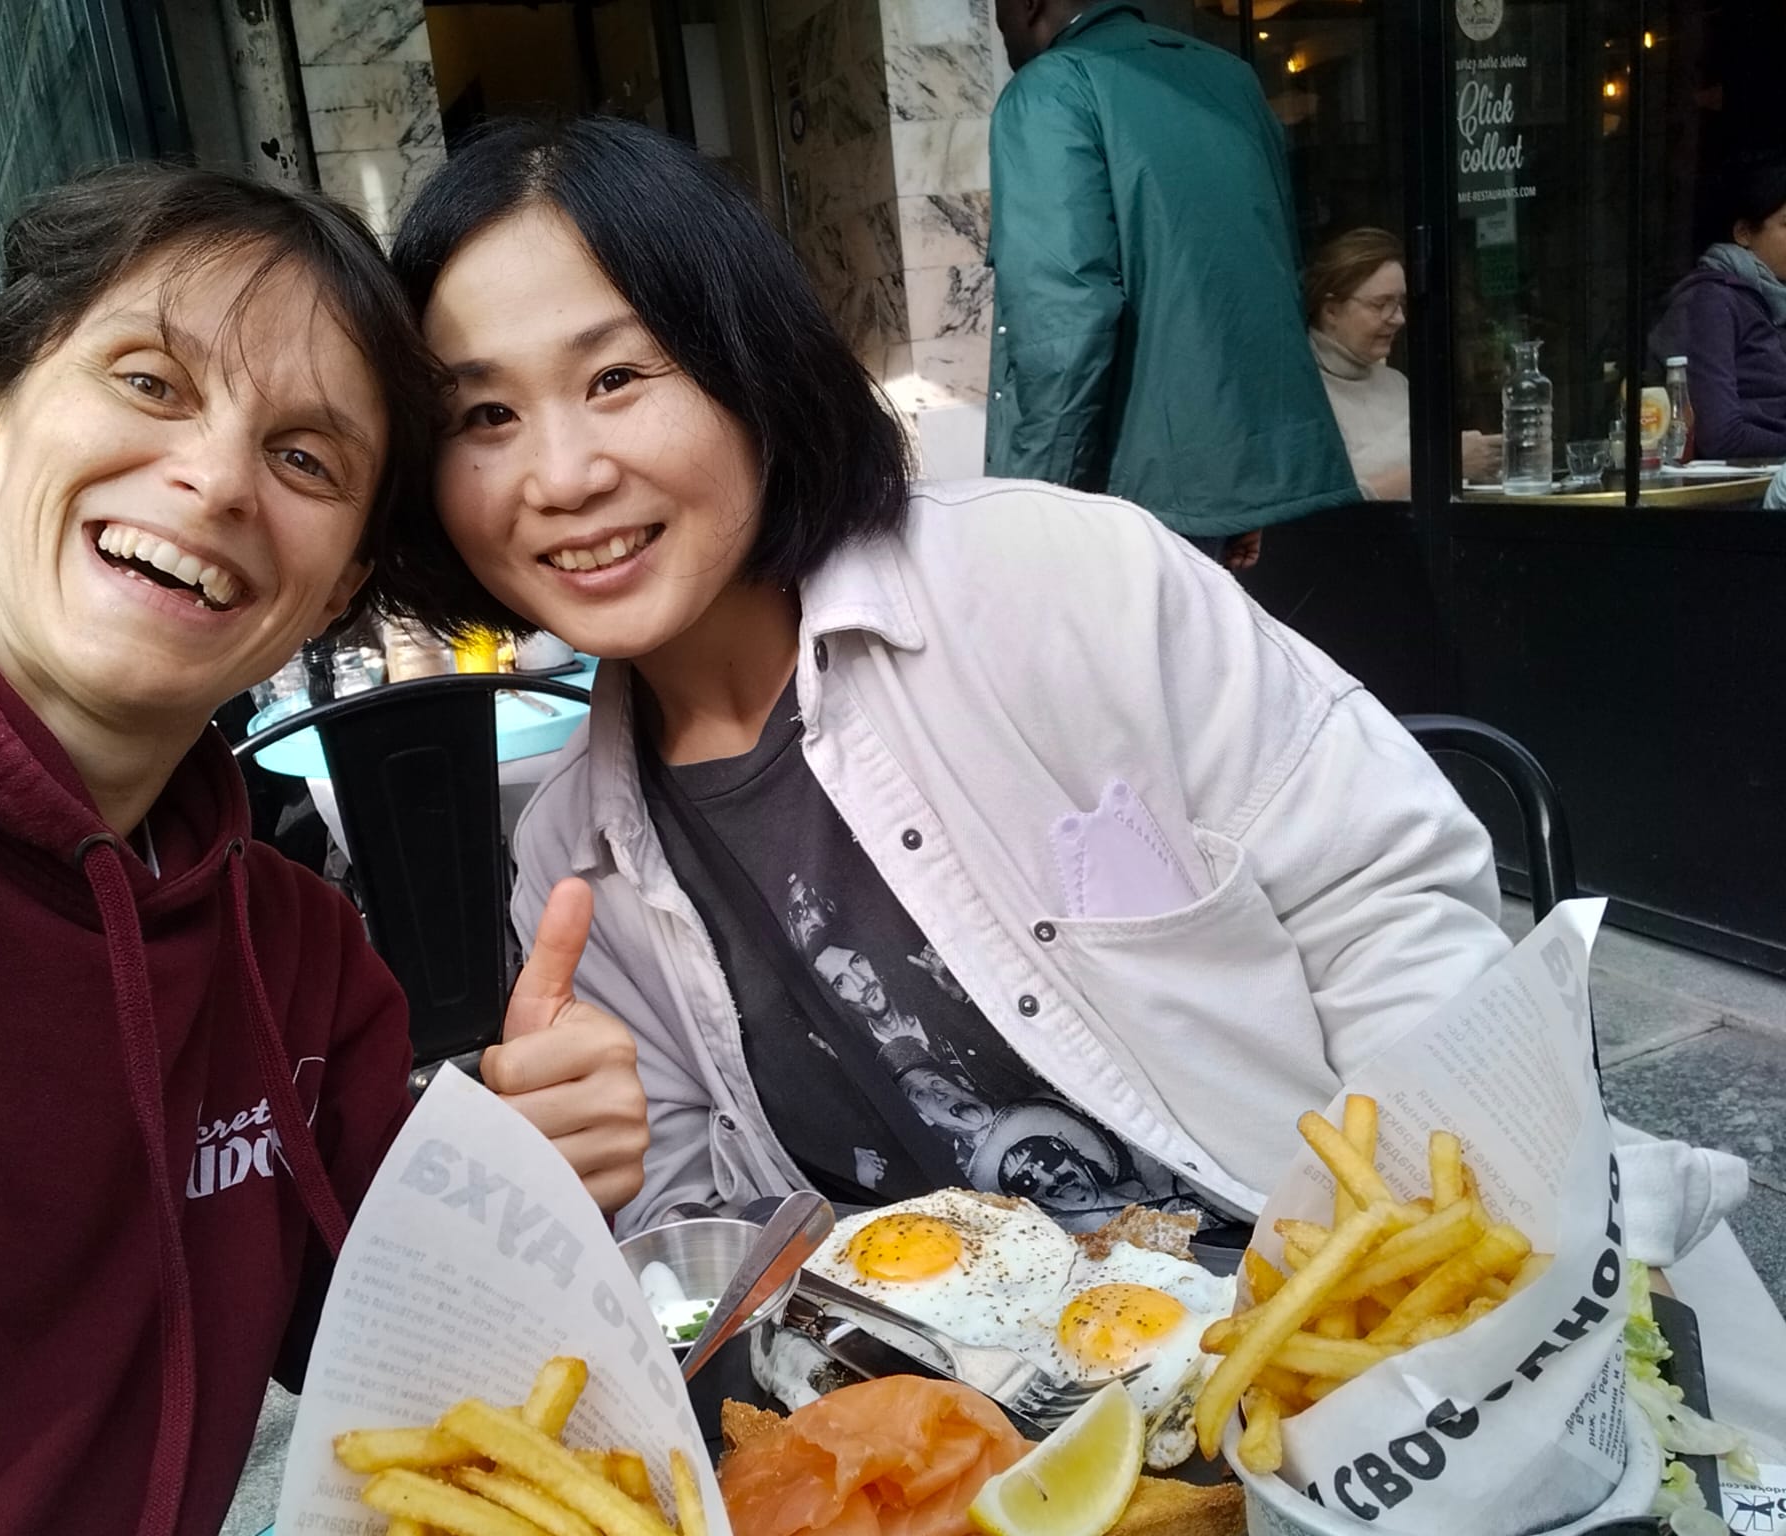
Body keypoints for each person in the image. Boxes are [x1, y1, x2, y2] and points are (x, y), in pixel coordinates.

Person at [388, 114, 1782, 1437]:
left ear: (749, 362)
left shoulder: (1056, 577)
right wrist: (592, 1182)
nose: (558, 475)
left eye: (616, 378)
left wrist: (1415, 1304)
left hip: (1335, 1354)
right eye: (483, 415)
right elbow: (721, 1254)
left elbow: (1382, 900)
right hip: (971, 1444)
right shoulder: (571, 855)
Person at [0, 163, 648, 1534]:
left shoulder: (298, 959)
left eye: (305, 459)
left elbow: (393, 1368)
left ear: (338, 588)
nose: (217, 480)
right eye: (150, 382)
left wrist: (510, 1185)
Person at [983, 0, 1357, 571]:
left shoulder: (1050, 89)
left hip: (1135, 506)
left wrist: (1034, 517)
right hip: (1256, 485)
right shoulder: (1231, 79)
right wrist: (1245, 494)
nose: (998, 25)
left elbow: (1065, 328)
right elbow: (1271, 270)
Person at [1303, 228, 1504, 498]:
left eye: (1400, 304)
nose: (1399, 318)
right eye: (1381, 304)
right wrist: (1446, 463)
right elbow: (1329, 502)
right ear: (1331, 311)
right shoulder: (1298, 394)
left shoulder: (1396, 384)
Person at [1653, 157, 1786, 459]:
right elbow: (1720, 435)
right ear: (1743, 233)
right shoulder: (1711, 300)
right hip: (1741, 483)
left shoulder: (1772, 299)